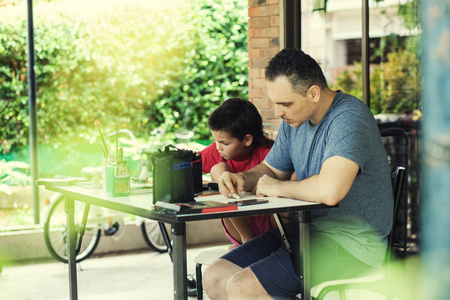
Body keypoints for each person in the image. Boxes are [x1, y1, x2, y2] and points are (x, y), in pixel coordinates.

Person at [202, 49, 394, 300]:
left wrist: (277, 188)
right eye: (275, 103)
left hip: (352, 246)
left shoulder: (349, 119)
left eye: (285, 103)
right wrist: (242, 178)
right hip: (307, 232)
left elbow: (330, 191)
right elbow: (271, 170)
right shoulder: (296, 121)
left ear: (313, 93)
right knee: (215, 276)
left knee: (243, 287)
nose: (278, 112)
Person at [201, 97, 277, 245]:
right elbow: (189, 164)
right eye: (215, 141)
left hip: (270, 223)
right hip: (240, 230)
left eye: (224, 143)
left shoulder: (268, 153)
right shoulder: (218, 151)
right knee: (219, 170)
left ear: (247, 140)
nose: (218, 147)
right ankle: (247, 238)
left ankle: (253, 243)